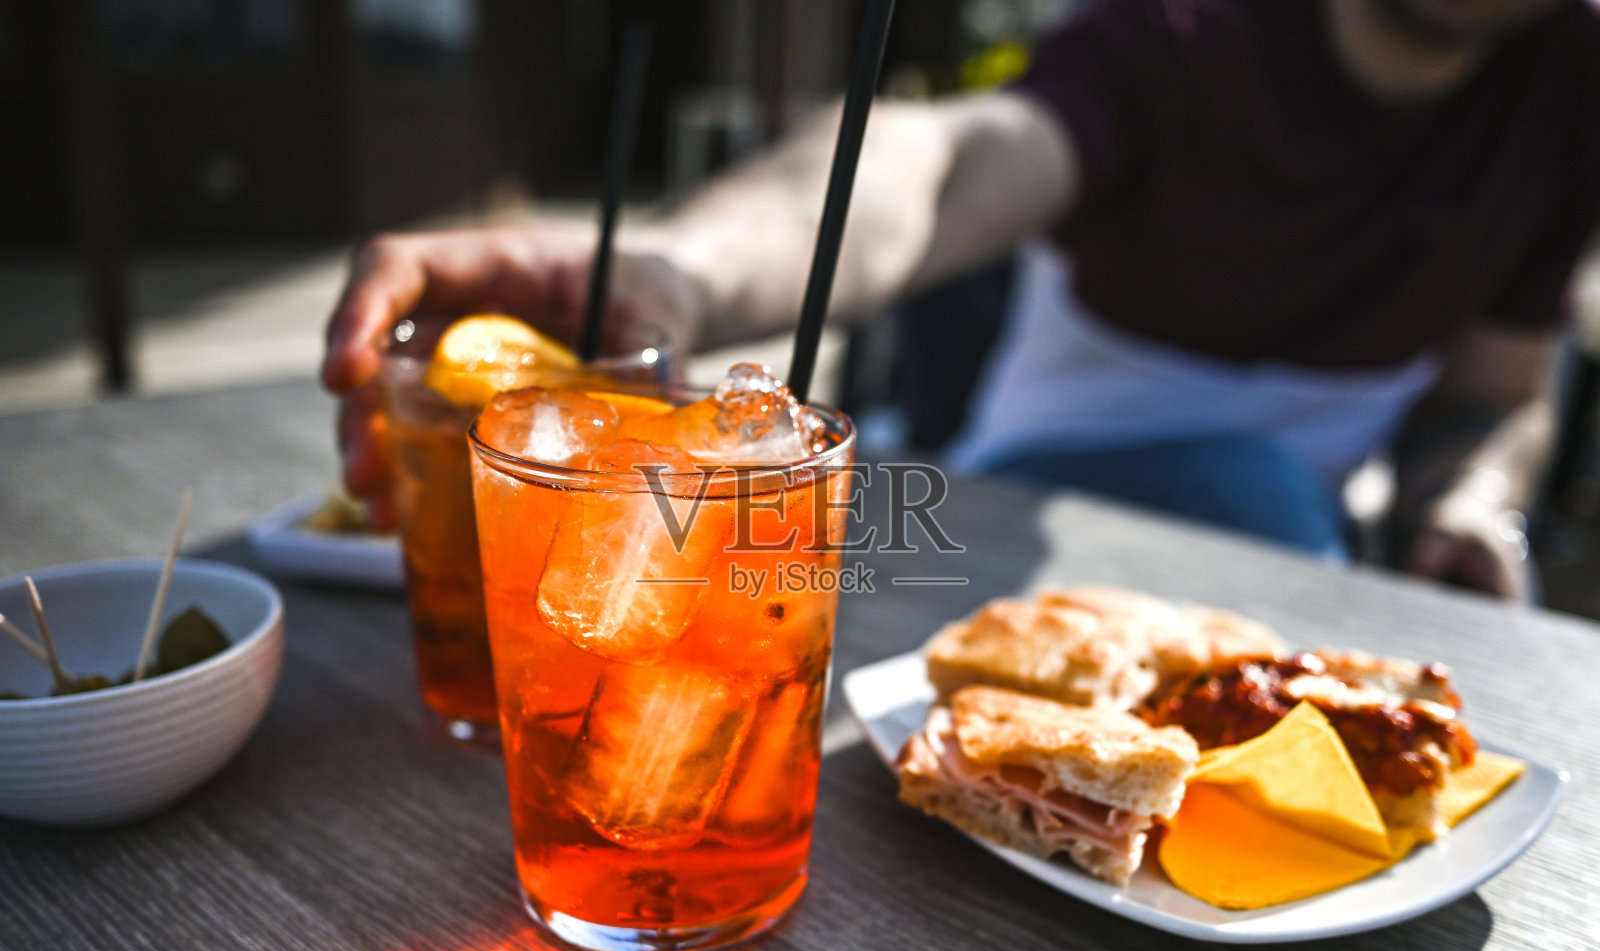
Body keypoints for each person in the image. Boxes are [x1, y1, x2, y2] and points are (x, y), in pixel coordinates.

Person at [323, 0, 1600, 601]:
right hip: (1039, 498)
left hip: (1296, 552)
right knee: (1260, 502)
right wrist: (682, 273)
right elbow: (941, 165)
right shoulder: (1181, 33)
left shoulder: (1567, 91)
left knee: (1281, 519)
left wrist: (1472, 506)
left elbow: (1496, 394)